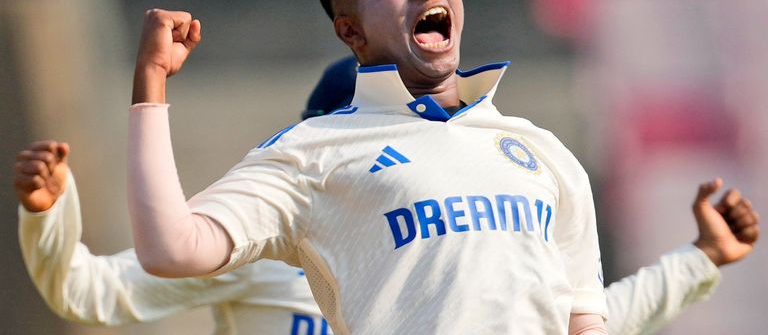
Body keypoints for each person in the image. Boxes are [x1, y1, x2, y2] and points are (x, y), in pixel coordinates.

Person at [121, 0, 757, 334]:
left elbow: (585, 319)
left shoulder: (540, 151)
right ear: (351, 30)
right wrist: (151, 86)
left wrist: (699, 258)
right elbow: (171, 248)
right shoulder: (314, 151)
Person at [14, 56, 759, 334]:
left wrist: (701, 259)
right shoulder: (253, 249)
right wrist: (50, 216)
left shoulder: (459, 256)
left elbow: (585, 319)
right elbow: (89, 293)